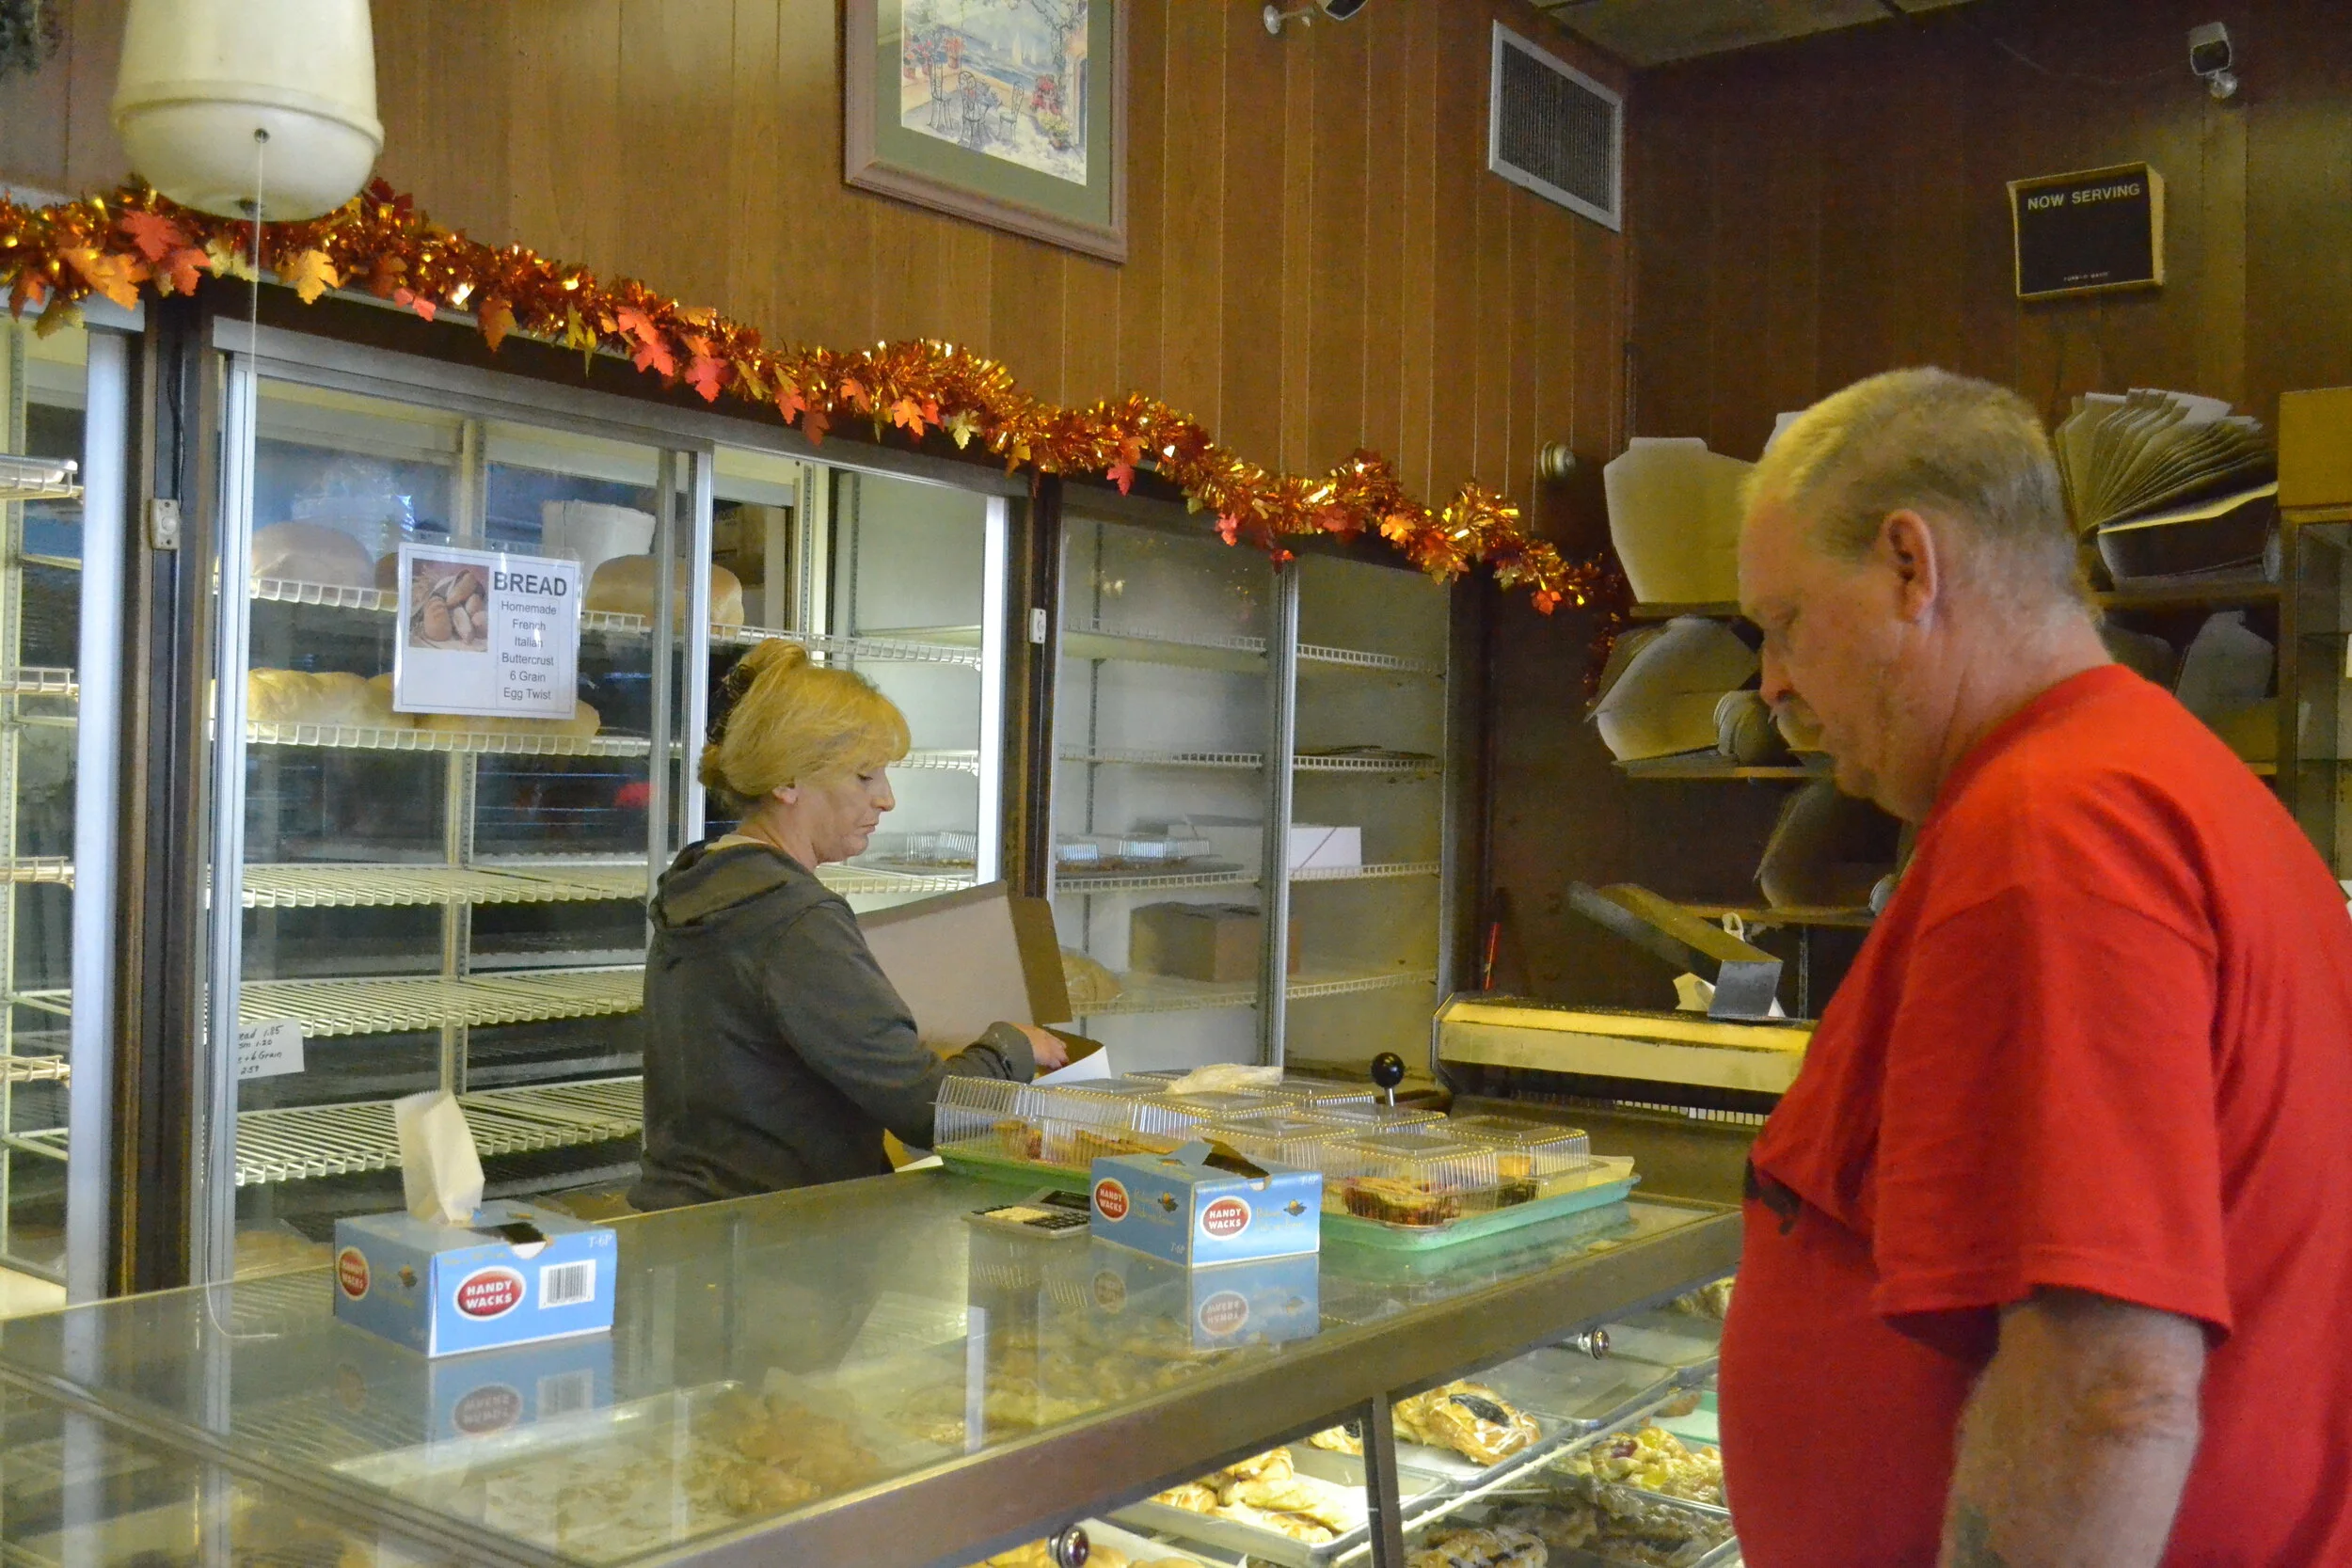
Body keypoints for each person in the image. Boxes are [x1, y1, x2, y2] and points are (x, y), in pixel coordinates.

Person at [1718, 368, 2352, 1566]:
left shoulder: (2052, 829)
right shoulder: (2142, 772)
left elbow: (2107, 1394)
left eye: (1785, 622)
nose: (1774, 684)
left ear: (1912, 566)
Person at [629, 640, 1067, 1211]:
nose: (886, 799)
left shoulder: (707, 884)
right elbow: (928, 1113)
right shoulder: (791, 916)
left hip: (698, 1225)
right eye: (864, 776)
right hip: (781, 1245)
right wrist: (1012, 1047)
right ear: (787, 781)